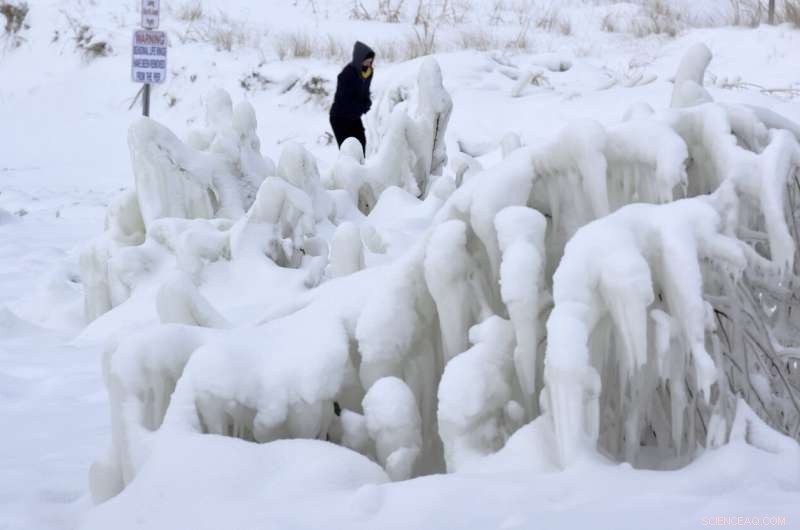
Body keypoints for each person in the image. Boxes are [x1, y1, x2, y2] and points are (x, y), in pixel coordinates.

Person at [330, 41, 375, 155]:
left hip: (354, 116)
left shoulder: (368, 72)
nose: (369, 64)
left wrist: (367, 102)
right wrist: (362, 107)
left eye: (370, 61)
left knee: (361, 144)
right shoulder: (346, 75)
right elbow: (345, 101)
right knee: (348, 152)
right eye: (367, 61)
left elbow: (365, 92)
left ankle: (360, 166)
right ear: (359, 59)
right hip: (340, 118)